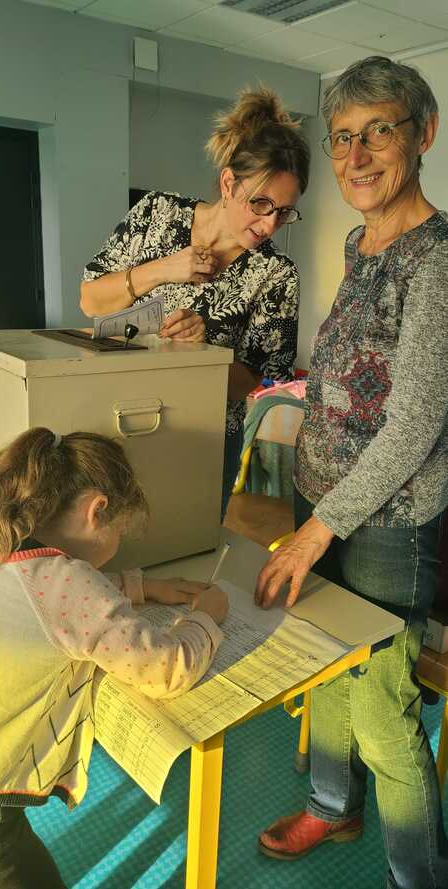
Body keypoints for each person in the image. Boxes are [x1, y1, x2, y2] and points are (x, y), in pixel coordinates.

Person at [254, 56, 448, 889]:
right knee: (320, 657)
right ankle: (333, 805)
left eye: (380, 131)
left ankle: (420, 874)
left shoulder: (438, 260)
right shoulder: (357, 239)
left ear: (424, 135)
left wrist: (316, 527)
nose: (358, 154)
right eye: (343, 137)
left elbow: (413, 425)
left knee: (382, 707)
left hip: (388, 523)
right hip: (323, 498)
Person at [0, 427, 228, 888]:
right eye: (120, 529)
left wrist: (142, 587)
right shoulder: (63, 584)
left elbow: (42, 604)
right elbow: (167, 669)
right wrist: (207, 620)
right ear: (98, 510)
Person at [80, 86, 310, 517]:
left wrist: (204, 354)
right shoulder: (157, 213)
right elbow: (91, 300)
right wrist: (163, 269)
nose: (269, 224)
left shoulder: (277, 275)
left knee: (187, 547)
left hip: (204, 439)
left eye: (284, 211)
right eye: (260, 203)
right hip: (118, 419)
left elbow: (254, 379)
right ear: (228, 183)